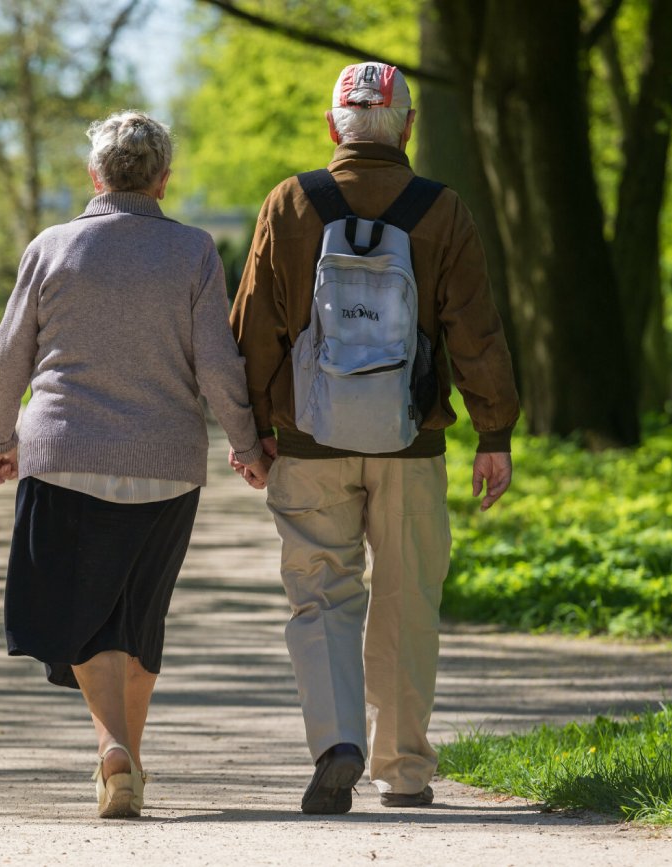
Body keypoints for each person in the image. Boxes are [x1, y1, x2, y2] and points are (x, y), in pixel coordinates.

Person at [229, 62, 520, 814]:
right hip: (411, 440)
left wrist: (251, 430)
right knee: (406, 600)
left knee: (320, 595)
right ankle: (405, 768)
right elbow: (475, 330)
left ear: (334, 128)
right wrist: (495, 429)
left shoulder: (291, 203)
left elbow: (255, 328)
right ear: (409, 129)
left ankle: (338, 743)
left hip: (308, 440)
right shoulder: (442, 209)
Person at [0, 110, 269, 820]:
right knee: (138, 617)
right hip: (166, 464)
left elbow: (9, 353)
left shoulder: (51, 247)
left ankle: (113, 749)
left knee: (83, 614)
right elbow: (217, 362)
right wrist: (246, 441)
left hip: (64, 455)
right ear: (164, 180)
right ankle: (130, 765)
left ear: (95, 175)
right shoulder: (195, 251)